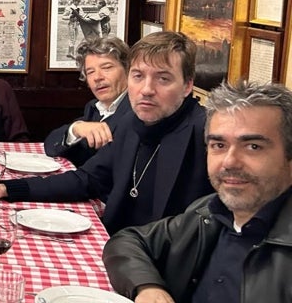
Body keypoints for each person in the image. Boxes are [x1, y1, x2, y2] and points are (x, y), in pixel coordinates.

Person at [0, 31, 214, 234]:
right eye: (138, 76)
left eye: (163, 79)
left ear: (188, 85)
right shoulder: (131, 123)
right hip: (121, 249)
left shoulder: (208, 135)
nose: (146, 89)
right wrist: (6, 189)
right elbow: (86, 180)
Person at [103, 80, 292, 303]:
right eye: (218, 145)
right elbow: (128, 241)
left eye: (253, 147)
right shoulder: (208, 214)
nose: (230, 162)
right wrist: (148, 287)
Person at [44, 37, 132, 166]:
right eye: (90, 72)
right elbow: (51, 145)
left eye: (106, 68)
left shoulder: (136, 111)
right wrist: (75, 129)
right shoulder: (94, 107)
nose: (97, 77)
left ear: (128, 70)